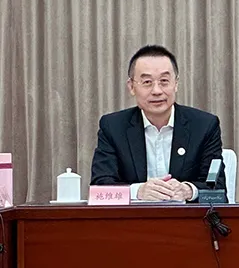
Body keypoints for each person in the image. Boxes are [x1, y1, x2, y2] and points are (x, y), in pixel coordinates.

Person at [90, 45, 225, 201]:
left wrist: (188, 190)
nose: (157, 91)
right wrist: (138, 191)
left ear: (176, 84)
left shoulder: (204, 125)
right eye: (147, 82)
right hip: (133, 216)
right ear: (131, 87)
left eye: (164, 81)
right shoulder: (113, 127)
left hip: (185, 215)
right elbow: (99, 189)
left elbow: (218, 190)